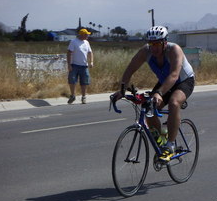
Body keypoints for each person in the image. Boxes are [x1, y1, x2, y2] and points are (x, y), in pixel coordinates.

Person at [112, 26, 195, 160]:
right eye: (151, 44)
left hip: (183, 81)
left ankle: (170, 146)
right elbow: (130, 69)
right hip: (164, 82)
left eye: (157, 44)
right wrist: (122, 90)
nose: (154, 48)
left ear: (165, 43)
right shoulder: (146, 51)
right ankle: (162, 142)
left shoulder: (174, 50)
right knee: (148, 108)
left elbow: (174, 75)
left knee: (174, 103)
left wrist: (159, 93)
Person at [67, 28, 94, 104]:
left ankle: (83, 97)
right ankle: (72, 95)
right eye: (86, 35)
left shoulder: (86, 42)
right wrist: (69, 64)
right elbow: (69, 53)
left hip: (84, 65)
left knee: (84, 82)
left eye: (88, 35)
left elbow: (90, 52)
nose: (87, 36)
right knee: (72, 81)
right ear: (81, 35)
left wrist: (91, 61)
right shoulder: (73, 42)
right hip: (74, 65)